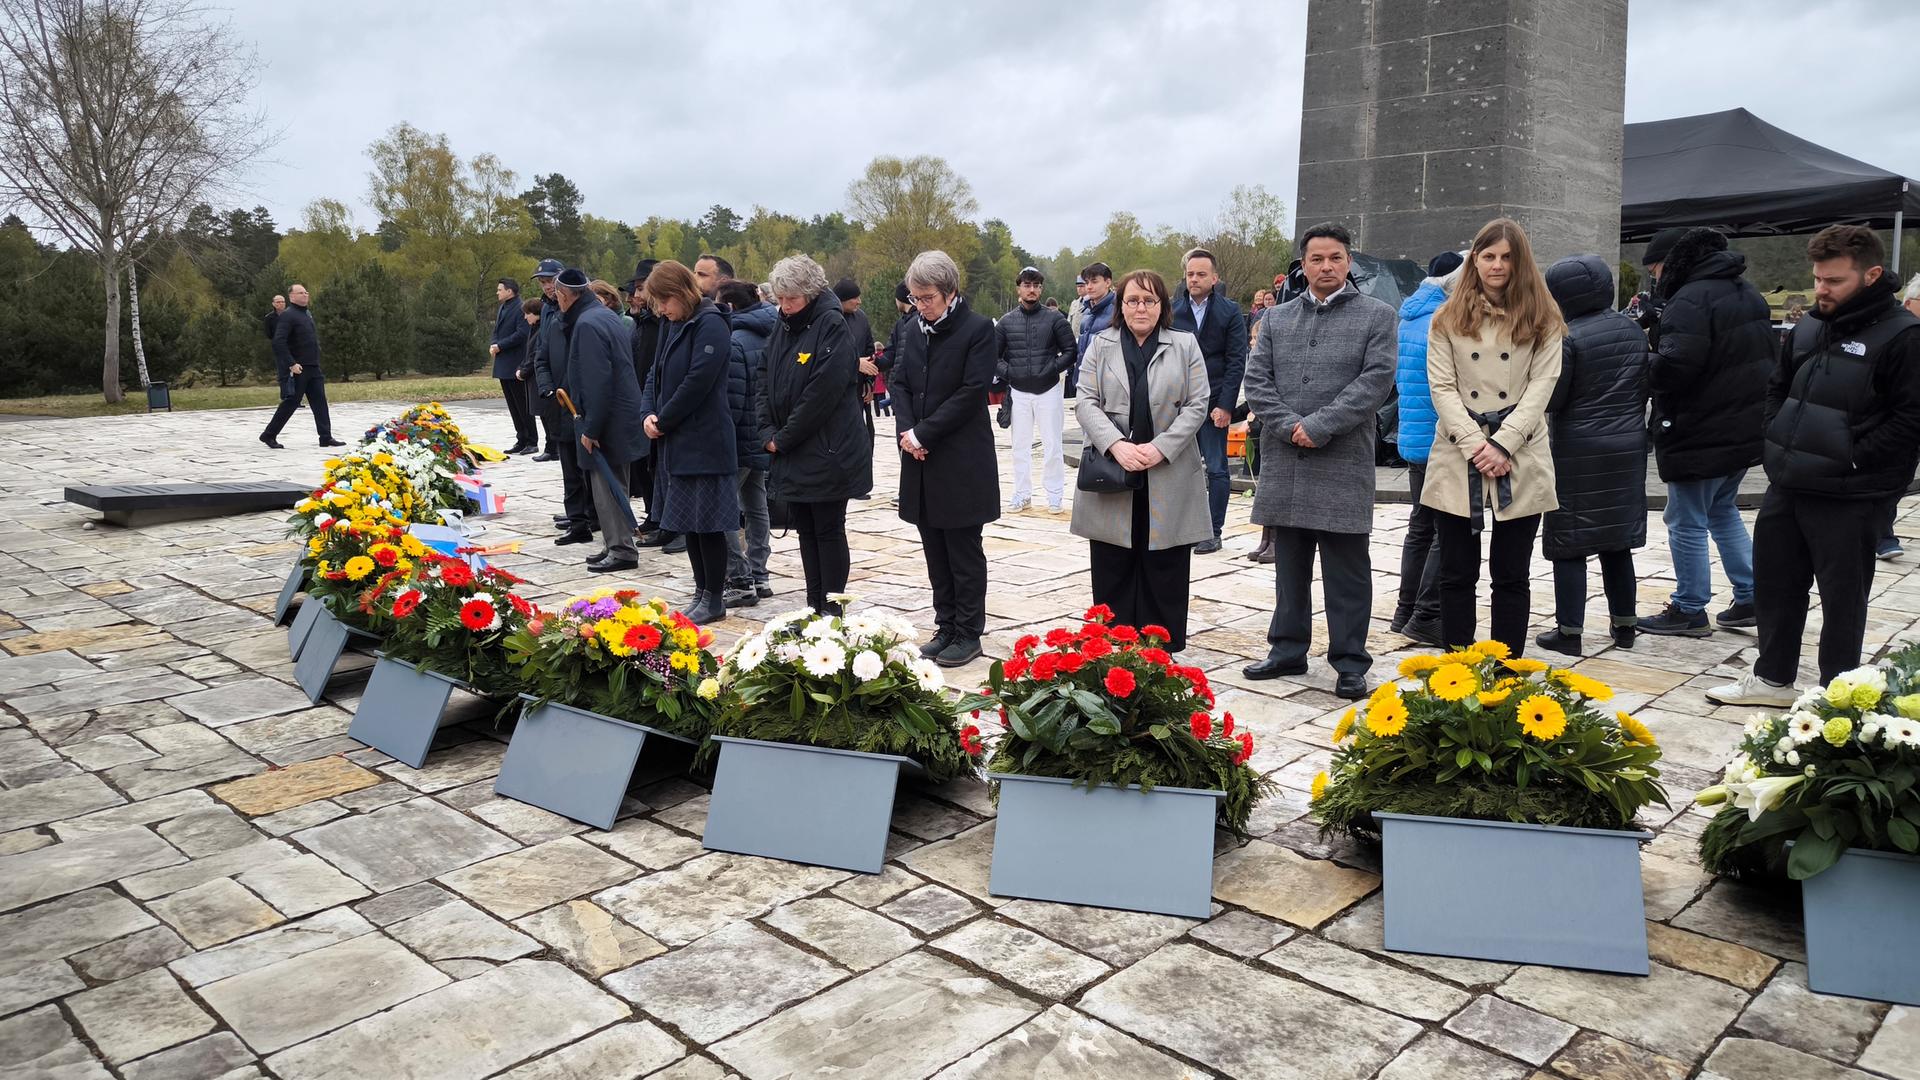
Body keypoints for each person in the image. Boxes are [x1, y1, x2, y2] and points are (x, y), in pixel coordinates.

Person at [1709, 227, 1920, 706]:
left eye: (1835, 281)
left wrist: (1850, 454)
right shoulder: (1808, 324)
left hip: (1852, 492)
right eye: (1818, 278)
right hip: (1788, 481)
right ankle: (1772, 679)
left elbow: (1910, 420)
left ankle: (1836, 692)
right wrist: (1776, 434)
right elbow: (1776, 387)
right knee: (1776, 585)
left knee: (1843, 597)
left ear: (1871, 275)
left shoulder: (1904, 337)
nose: (1822, 289)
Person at [1241, 223, 1397, 697]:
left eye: (1335, 258)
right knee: (1289, 564)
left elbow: (1375, 382)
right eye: (1316, 259)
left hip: (1342, 460)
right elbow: (1257, 380)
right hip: (1287, 459)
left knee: (1347, 569)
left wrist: (1321, 424)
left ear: (1348, 262)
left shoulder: (1378, 315)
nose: (1326, 266)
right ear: (1303, 265)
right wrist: (1291, 426)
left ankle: (1350, 660)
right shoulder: (1277, 319)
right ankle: (1287, 649)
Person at [1422, 218, 1565, 654]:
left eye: (1506, 256)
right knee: (1457, 573)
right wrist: (1475, 445)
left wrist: (1503, 443)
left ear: (1520, 262)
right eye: (1488, 256)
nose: (1497, 265)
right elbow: (1441, 387)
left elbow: (1544, 384)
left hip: (1519, 454)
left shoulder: (1544, 318)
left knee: (1511, 574)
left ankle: (1507, 671)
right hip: (1458, 452)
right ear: (1475, 261)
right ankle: (1459, 669)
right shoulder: (1446, 318)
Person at [1639, 227, 1771, 637]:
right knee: (1721, 509)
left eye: (1654, 269)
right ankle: (1753, 595)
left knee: (1685, 519)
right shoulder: (1745, 291)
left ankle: (1689, 607)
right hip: (1743, 427)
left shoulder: (1690, 299)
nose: (1654, 279)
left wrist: (1642, 359)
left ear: (1670, 264)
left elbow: (1676, 370)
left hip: (1701, 429)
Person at [1072, 269, 1211, 651]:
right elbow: (1085, 400)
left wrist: (1161, 447)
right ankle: (1113, 648)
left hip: (1168, 467)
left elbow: (1198, 404)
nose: (1140, 307)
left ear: (1163, 306)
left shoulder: (1184, 345)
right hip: (1114, 467)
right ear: (1120, 305)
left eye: (1150, 300)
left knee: (1164, 564)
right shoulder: (1101, 345)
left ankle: (1158, 651)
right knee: (1112, 561)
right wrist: (1116, 445)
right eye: (1132, 300)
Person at [1535, 254, 1650, 657]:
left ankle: (1569, 632)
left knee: (1570, 542)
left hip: (1579, 450)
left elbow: (1555, 397)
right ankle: (1625, 626)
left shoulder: (1568, 337)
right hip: (1628, 445)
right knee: (1617, 541)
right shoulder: (1633, 331)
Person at [892, 250, 1000, 666]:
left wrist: (924, 432)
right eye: (916, 297)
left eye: (928, 297)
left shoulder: (976, 330)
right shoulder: (911, 330)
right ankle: (947, 624)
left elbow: (971, 391)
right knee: (933, 546)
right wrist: (908, 431)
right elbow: (899, 382)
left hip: (959, 457)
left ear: (951, 292)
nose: (921, 305)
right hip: (918, 456)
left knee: (962, 550)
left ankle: (968, 631)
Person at [756, 254, 872, 615]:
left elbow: (822, 393)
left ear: (810, 293)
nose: (785, 306)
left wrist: (784, 437)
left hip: (827, 449)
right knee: (804, 527)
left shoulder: (831, 325)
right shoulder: (784, 324)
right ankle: (813, 604)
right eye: (781, 299)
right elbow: (764, 376)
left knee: (827, 527)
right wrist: (766, 430)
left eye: (792, 299)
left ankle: (832, 609)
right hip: (791, 447)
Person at [640, 261, 739, 620]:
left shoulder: (710, 322)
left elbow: (699, 380)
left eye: (665, 301)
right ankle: (701, 592)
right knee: (690, 525)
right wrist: (647, 412)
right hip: (678, 439)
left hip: (706, 440)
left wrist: (664, 419)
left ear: (681, 292)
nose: (662, 310)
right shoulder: (674, 323)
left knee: (709, 525)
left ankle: (714, 598)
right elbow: (657, 372)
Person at [1388, 251, 1462, 646]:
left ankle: (1404, 610)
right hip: (1441, 436)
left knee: (1420, 526)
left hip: (1413, 435)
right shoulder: (1445, 319)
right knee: (1440, 530)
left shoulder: (1409, 315)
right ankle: (1426, 613)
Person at [553, 267, 642, 573]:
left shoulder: (588, 324)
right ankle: (615, 543)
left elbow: (596, 380)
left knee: (607, 486)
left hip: (606, 420)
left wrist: (591, 427)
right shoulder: (603, 314)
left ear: (565, 296)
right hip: (618, 415)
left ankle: (621, 549)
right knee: (612, 482)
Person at [1170, 247, 1248, 554]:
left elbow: (1235, 362)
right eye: (1190, 274)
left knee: (1216, 468)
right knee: (1178, 468)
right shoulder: (1174, 311)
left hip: (1214, 402)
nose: (1195, 279)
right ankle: (1181, 527)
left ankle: (1213, 530)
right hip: (1179, 404)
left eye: (1201, 274)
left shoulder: (1229, 312)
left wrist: (1226, 405)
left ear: (1214, 278)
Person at [995, 266, 1077, 514]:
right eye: (1027, 285)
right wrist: (1010, 373)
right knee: (1020, 446)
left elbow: (1071, 351)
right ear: (1018, 287)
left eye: (1036, 286)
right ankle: (1021, 494)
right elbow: (992, 356)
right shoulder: (1006, 322)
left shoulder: (1055, 319)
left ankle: (1054, 495)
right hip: (1019, 392)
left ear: (1041, 289)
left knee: (1052, 445)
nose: (1032, 290)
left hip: (1048, 390)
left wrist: (1052, 368)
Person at [531, 258, 597, 542]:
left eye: (551, 282)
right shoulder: (549, 314)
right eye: (542, 283)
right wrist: (547, 388)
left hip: (579, 402)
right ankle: (577, 520)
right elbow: (541, 356)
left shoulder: (587, 317)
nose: (547, 287)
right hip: (557, 399)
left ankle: (593, 515)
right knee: (568, 466)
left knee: (587, 467)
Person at [718, 278, 775, 608]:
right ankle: (760, 573)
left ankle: (740, 579)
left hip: (741, 438)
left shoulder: (735, 340)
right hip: (763, 435)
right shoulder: (773, 329)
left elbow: (733, 401)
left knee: (723, 507)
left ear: (730, 306)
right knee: (756, 504)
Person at [259, 283, 343, 449]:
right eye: (300, 292)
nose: (305, 294)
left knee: (320, 402)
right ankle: (269, 435)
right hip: (299, 368)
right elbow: (278, 342)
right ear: (291, 297)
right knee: (291, 403)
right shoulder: (288, 316)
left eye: (306, 292)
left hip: (313, 367)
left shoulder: (307, 314)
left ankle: (325, 437)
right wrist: (291, 363)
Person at [624, 260, 664, 538]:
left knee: (658, 465)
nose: (636, 295)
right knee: (646, 463)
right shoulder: (643, 322)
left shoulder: (661, 322)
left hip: (659, 404)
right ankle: (653, 514)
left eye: (642, 289)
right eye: (636, 290)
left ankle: (664, 519)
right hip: (643, 399)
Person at [490, 278, 536, 454]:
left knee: (522, 404)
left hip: (515, 361)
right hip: (503, 362)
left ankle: (532, 440)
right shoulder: (503, 307)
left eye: (500, 289)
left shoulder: (520, 307)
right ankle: (521, 439)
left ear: (510, 291)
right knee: (512, 405)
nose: (497, 292)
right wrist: (494, 343)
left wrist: (500, 345)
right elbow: (497, 331)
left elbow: (522, 333)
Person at [834, 278, 879, 438]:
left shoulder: (861, 318)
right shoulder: (827, 319)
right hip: (835, 392)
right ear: (843, 299)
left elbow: (869, 349)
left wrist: (869, 382)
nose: (859, 302)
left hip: (858, 391)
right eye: (855, 298)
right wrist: (855, 363)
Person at [1072, 263, 1116, 398]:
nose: (1089, 287)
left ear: (1108, 282)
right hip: (1085, 380)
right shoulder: (1086, 311)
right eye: (1087, 282)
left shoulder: (1119, 311)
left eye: (1094, 282)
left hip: (1108, 385)